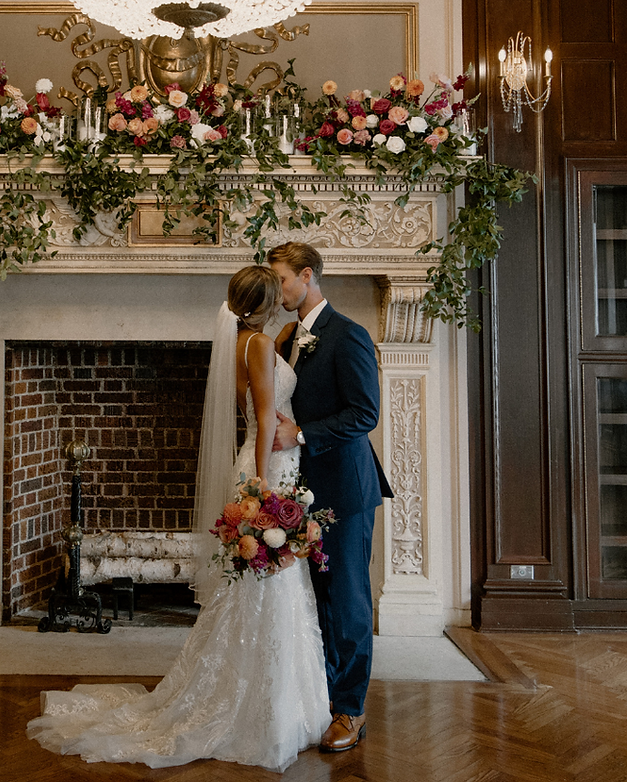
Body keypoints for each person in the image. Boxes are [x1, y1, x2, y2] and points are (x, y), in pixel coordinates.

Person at [26, 265, 330, 772]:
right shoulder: (256, 346)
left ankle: (272, 701)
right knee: (268, 587)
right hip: (268, 466)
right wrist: (260, 494)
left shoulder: (249, 339)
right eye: (276, 293)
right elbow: (260, 418)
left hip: (271, 462)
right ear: (267, 300)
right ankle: (265, 711)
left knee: (265, 589)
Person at [267, 241, 393, 754]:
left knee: (347, 603)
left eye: (281, 281)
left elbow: (366, 414)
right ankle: (321, 697)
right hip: (303, 490)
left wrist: (299, 433)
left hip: (344, 489)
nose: (278, 291)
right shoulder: (286, 336)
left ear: (307, 276)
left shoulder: (349, 336)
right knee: (315, 600)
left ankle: (351, 709)